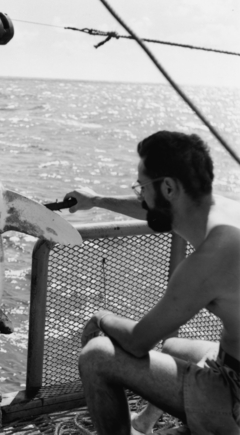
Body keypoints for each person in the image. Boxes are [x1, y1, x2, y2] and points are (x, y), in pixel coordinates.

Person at [64, 131, 240, 435]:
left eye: (141, 186)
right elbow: (154, 208)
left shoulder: (211, 257)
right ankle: (144, 422)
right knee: (171, 347)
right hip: (228, 360)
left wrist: (101, 317)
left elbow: (137, 341)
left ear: (169, 187)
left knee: (96, 356)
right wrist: (96, 200)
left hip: (233, 393)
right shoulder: (222, 210)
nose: (140, 195)